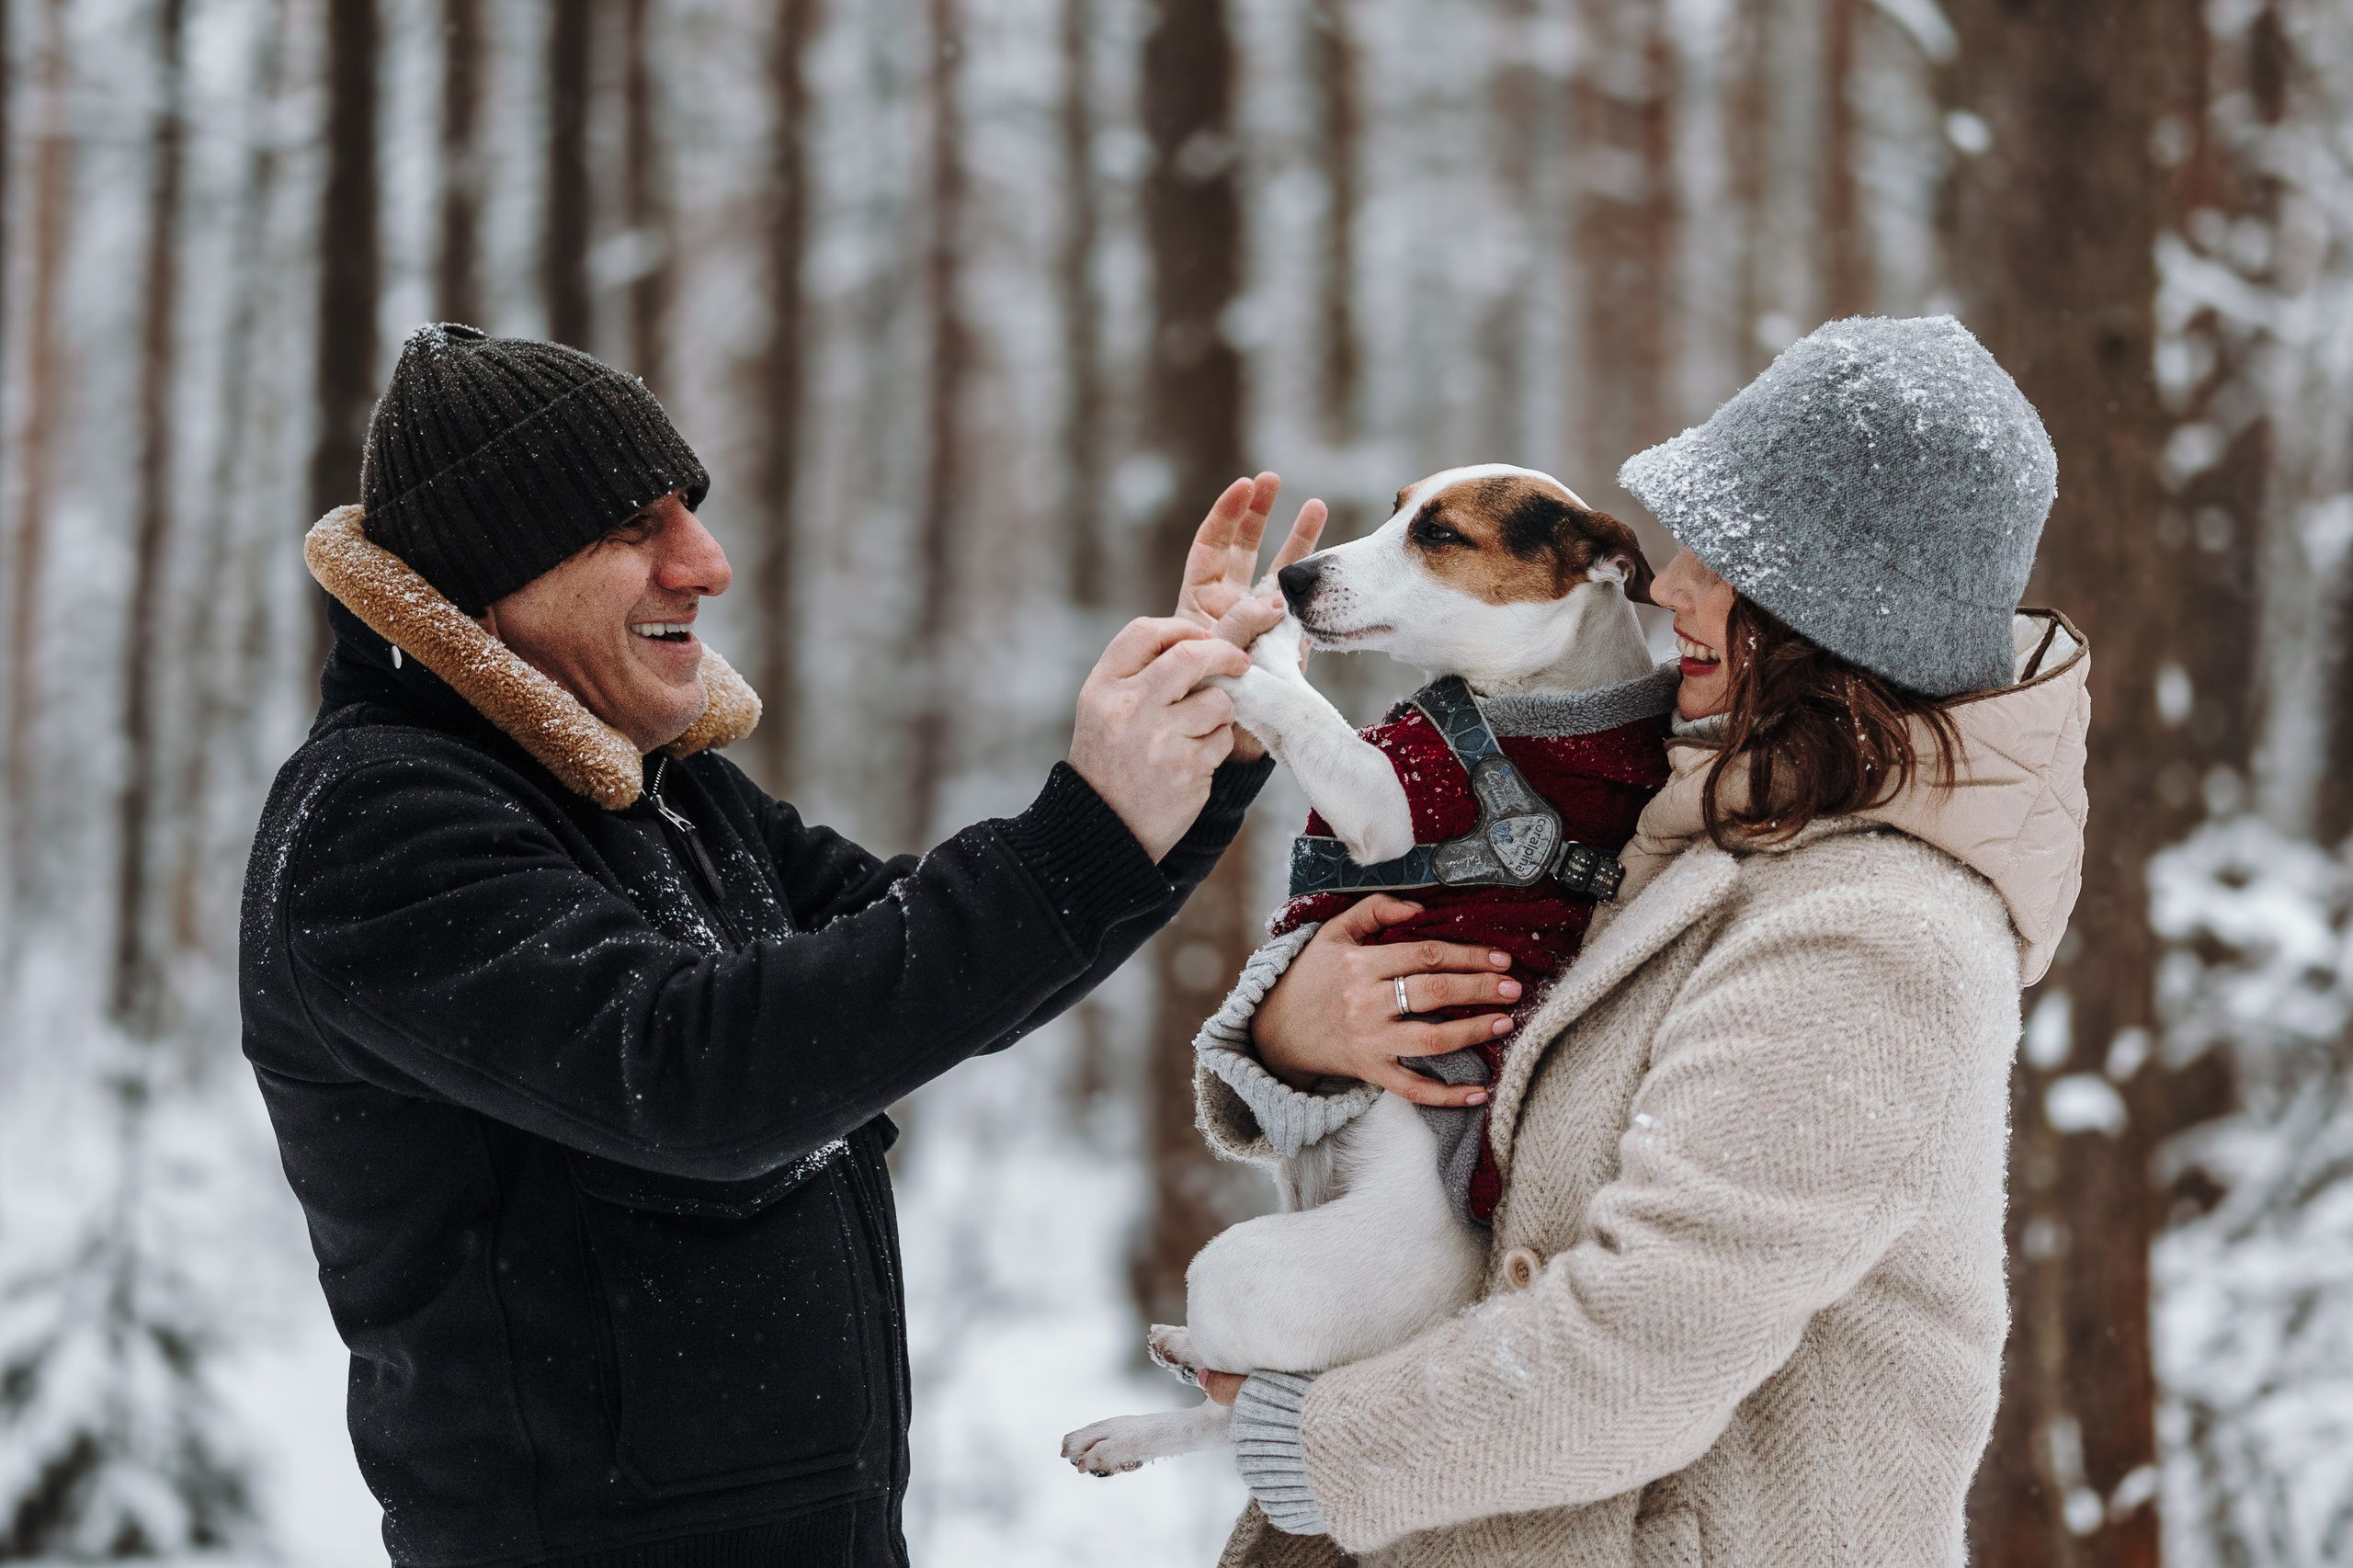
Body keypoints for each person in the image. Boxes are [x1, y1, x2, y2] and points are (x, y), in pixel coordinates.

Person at [240, 324, 1313, 1568]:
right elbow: (696, 1073)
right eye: (634, 526)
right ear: (498, 569)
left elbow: (912, 957)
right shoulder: (374, 823)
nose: (707, 563)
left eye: (689, 513)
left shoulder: (663, 788)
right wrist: (1086, 822)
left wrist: (1185, 765)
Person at [1190, 315, 2089, 1565]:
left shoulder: (1879, 938)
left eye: (1722, 561)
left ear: (1837, 616)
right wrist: (1297, 1029)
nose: (1668, 588)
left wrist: (1317, 1447)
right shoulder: (1673, 812)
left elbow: (1638, 1351)